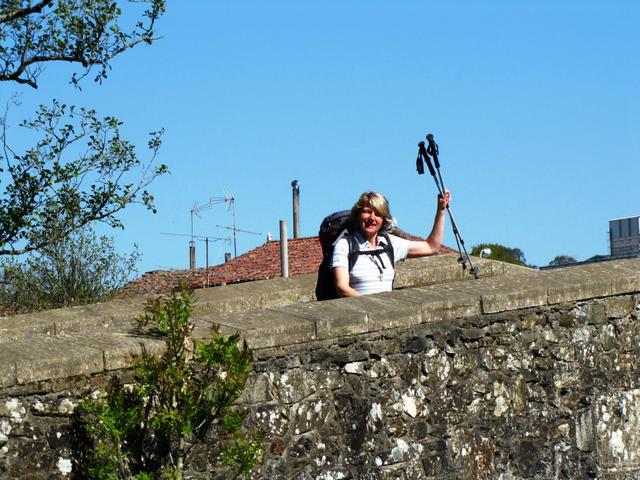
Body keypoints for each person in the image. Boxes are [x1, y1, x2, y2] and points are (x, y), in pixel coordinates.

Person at [331, 190, 450, 297]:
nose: (372, 218)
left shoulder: (389, 242)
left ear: (383, 219)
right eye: (367, 212)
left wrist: (441, 210)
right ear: (358, 216)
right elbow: (342, 288)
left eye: (378, 214)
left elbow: (431, 247)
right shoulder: (344, 245)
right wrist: (373, 306)